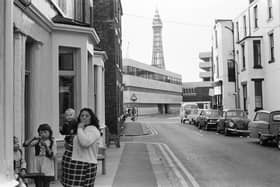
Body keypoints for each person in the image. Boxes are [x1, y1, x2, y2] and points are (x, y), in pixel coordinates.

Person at [61, 108, 101, 187]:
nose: (84, 117)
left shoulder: (93, 130)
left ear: (91, 118)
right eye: (82, 115)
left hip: (84, 164)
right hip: (72, 163)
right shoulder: (82, 129)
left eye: (87, 116)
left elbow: (85, 142)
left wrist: (79, 128)